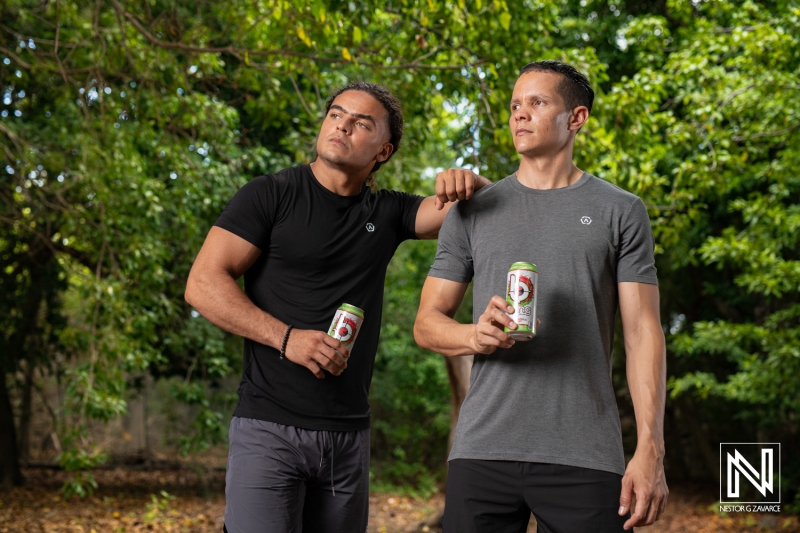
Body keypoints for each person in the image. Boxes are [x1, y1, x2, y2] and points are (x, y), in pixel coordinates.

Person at [184, 81, 488, 533]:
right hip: (268, 427)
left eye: (361, 123)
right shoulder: (270, 194)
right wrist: (286, 339)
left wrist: (473, 182)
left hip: (348, 437)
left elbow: (486, 208)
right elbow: (202, 285)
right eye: (336, 114)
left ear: (382, 151)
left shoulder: (388, 212)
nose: (342, 124)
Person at [413, 60, 669, 532]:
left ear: (576, 118)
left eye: (537, 102)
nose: (519, 115)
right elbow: (427, 323)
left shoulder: (620, 211)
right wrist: (475, 335)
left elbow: (642, 332)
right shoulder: (472, 210)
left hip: (585, 453)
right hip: (482, 449)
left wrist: (650, 448)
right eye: (514, 105)